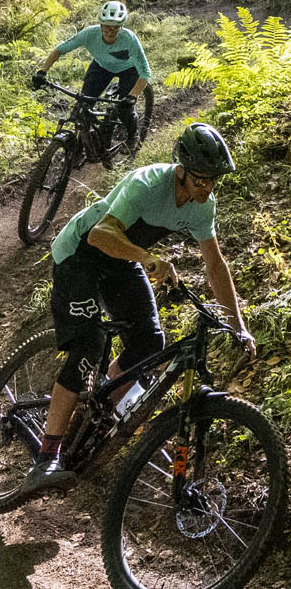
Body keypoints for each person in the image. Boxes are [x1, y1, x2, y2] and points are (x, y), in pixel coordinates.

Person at [22, 123, 258, 496]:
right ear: (181, 170)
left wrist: (238, 325)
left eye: (213, 180)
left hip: (121, 263)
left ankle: (96, 404)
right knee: (89, 345)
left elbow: (215, 265)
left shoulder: (202, 205)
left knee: (149, 343)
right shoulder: (148, 184)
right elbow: (101, 234)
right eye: (200, 180)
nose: (207, 188)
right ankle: (46, 457)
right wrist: (148, 258)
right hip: (80, 255)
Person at [32, 1, 151, 151]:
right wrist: (42, 72)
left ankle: (133, 136)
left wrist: (133, 96)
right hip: (101, 67)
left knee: (124, 108)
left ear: (121, 26)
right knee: (82, 107)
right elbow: (60, 50)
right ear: (101, 24)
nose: (111, 30)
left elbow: (145, 73)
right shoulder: (89, 34)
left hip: (129, 70)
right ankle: (79, 147)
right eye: (107, 26)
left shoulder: (129, 39)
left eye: (116, 27)